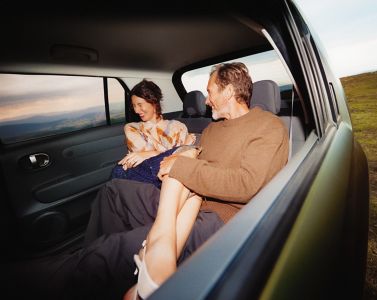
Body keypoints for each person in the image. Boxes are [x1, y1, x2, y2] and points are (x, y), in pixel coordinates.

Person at [5, 63, 289, 300]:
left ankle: (49, 275)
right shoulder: (214, 129)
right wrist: (174, 156)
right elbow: (192, 156)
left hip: (222, 218)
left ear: (228, 91)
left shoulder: (268, 127)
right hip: (190, 199)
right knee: (114, 192)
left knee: (110, 254)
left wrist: (181, 167)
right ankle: (107, 269)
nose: (206, 99)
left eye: (210, 91)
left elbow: (246, 185)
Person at [110, 79, 196, 188]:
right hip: (137, 179)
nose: (136, 110)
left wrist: (154, 153)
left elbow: (181, 162)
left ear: (153, 102)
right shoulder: (132, 128)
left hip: (169, 180)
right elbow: (149, 163)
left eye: (140, 105)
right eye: (134, 106)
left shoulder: (178, 127)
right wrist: (183, 146)